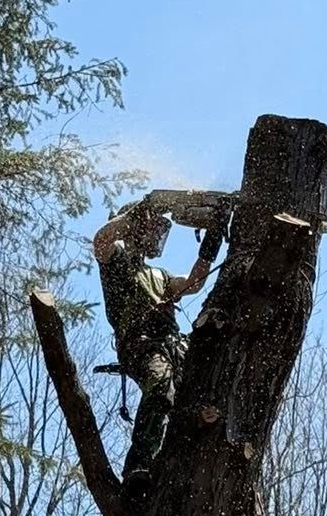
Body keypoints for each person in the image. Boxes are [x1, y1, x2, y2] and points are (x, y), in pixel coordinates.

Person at [92, 192, 230, 483]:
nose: (156, 235)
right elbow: (102, 239)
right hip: (140, 344)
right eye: (151, 227)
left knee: (209, 370)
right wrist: (140, 211)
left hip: (173, 344)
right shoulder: (115, 261)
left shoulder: (159, 275)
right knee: (160, 386)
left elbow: (194, 283)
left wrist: (214, 236)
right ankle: (138, 465)